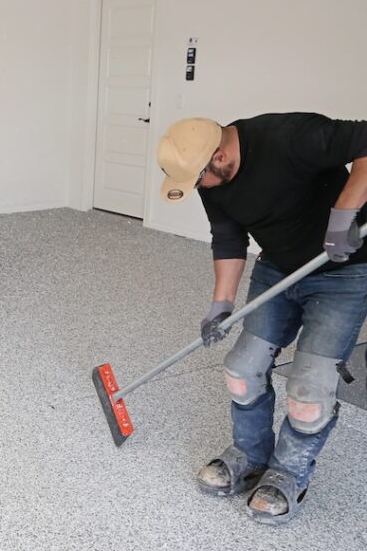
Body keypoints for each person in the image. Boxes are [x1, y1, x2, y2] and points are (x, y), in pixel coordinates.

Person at [157, 114, 367, 525]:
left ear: (219, 156)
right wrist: (221, 303)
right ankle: (251, 455)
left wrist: (344, 213)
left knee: (309, 390)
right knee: (241, 370)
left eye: (201, 179)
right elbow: (229, 237)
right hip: (279, 269)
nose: (201, 188)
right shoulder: (207, 172)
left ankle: (289, 472)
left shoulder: (289, 136)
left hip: (344, 271)